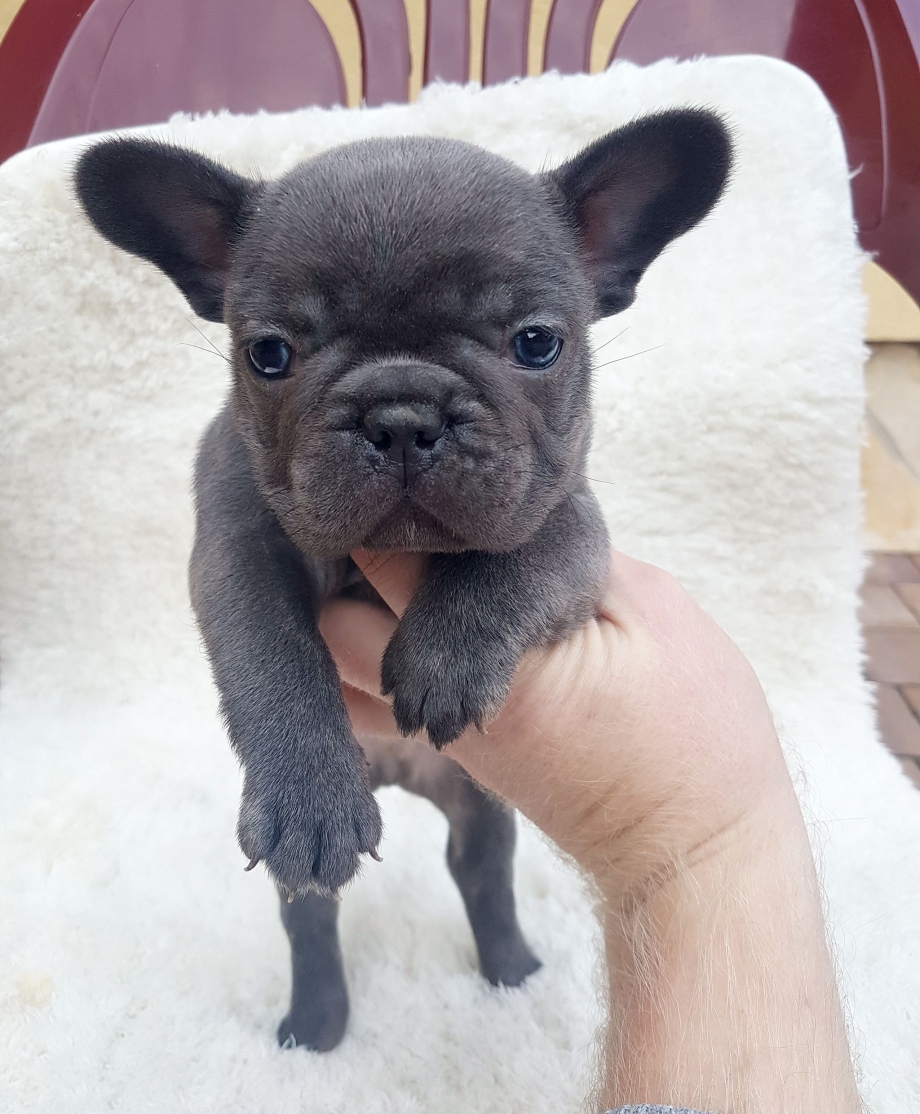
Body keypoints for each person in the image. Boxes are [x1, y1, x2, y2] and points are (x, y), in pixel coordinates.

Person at [318, 549, 863, 1114]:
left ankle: (498, 937)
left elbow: (570, 550)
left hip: (458, 703)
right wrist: (719, 833)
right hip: (330, 712)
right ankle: (317, 971)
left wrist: (708, 828)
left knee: (482, 841)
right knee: (311, 841)